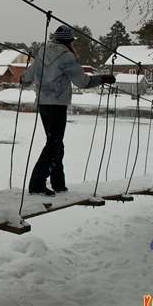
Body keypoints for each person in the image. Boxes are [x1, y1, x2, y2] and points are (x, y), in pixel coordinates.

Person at [20, 25, 115, 197]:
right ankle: (37, 183)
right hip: (58, 104)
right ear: (69, 41)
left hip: (43, 103)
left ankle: (58, 183)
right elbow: (83, 82)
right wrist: (102, 79)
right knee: (54, 143)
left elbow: (26, 78)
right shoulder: (66, 57)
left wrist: (24, 79)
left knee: (56, 141)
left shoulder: (41, 54)